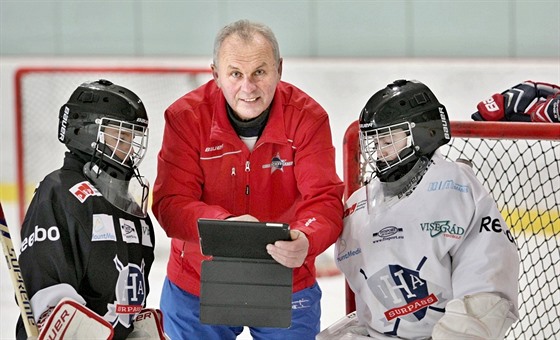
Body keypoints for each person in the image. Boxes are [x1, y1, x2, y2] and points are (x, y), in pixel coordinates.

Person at [152, 19, 344, 339]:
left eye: (260, 72)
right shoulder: (184, 118)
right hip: (197, 281)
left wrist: (307, 238)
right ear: (215, 74)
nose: (248, 87)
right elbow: (171, 204)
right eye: (236, 74)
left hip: (286, 279)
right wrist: (228, 228)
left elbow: (324, 198)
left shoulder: (309, 119)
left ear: (279, 69)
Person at [318, 79, 520, 339]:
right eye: (376, 142)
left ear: (422, 133)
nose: (379, 152)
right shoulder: (361, 202)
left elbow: (485, 289)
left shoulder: (455, 188)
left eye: (388, 139)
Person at [16, 79, 162, 340]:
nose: (129, 147)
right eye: (120, 135)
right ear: (85, 130)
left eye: (133, 137)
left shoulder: (130, 205)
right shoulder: (59, 193)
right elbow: (48, 295)